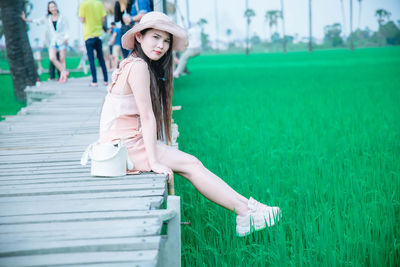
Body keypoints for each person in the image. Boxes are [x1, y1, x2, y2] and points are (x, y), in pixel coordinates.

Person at [98, 11, 282, 237]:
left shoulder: (132, 63)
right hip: (125, 148)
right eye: (155, 37)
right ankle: (245, 212)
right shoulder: (138, 67)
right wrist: (154, 161)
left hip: (125, 144)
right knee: (192, 165)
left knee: (192, 163)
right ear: (139, 36)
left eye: (166, 41)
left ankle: (248, 210)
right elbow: (146, 117)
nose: (161, 46)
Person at [21, 1, 69, 82]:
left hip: (61, 40)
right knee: (52, 58)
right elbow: (37, 21)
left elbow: (67, 29)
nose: (53, 8)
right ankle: (64, 71)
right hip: (52, 41)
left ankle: (63, 77)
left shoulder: (62, 17)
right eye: (51, 7)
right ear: (49, 9)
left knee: (62, 58)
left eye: (54, 6)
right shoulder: (47, 18)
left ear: (56, 7)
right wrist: (25, 19)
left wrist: (66, 38)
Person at [79, 0, 109, 87]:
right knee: (101, 59)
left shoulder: (83, 4)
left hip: (88, 36)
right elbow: (103, 18)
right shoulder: (99, 3)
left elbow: (82, 19)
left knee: (91, 60)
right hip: (98, 35)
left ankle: (94, 81)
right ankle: (106, 81)